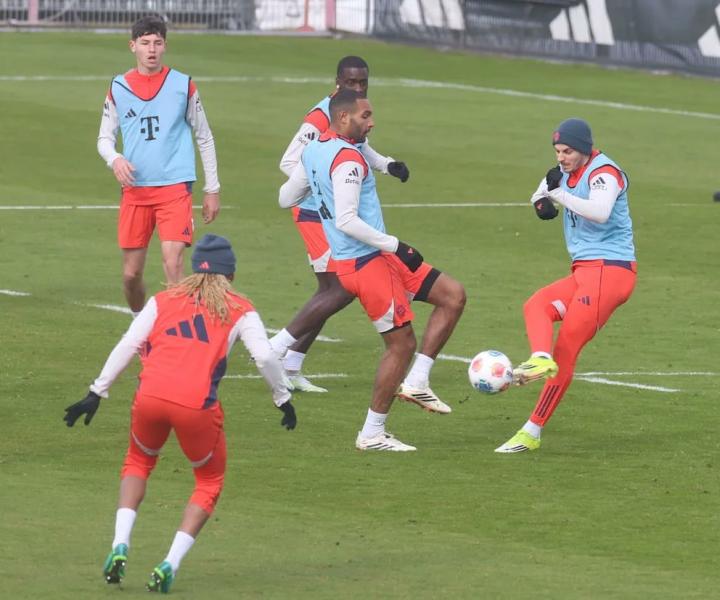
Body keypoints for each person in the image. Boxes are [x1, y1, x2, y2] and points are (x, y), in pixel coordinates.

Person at [63, 234, 295, 592]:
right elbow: (264, 356)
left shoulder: (163, 299)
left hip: (150, 396)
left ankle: (120, 544)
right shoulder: (240, 308)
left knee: (138, 462)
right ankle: (169, 563)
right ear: (231, 275)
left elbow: (130, 343)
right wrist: (282, 397)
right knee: (208, 481)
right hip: (196, 407)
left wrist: (97, 390)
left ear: (194, 268)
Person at [279, 89, 466, 451]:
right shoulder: (348, 160)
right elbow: (347, 220)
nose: (372, 122)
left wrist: (319, 193)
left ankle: (418, 382)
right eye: (365, 116)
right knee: (401, 344)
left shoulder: (315, 149)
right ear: (343, 117)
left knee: (452, 296)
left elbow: (285, 197)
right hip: (367, 263)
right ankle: (372, 434)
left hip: (373, 257)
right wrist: (397, 245)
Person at [270, 55, 412, 393]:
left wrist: (386, 165)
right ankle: (278, 349)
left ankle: (289, 363)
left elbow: (358, 146)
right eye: (351, 83)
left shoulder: (353, 113)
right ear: (338, 82)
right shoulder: (320, 116)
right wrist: (324, 182)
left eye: (363, 82)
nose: (358, 88)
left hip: (333, 213)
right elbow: (290, 161)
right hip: (315, 212)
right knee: (341, 287)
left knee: (337, 288)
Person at [495, 118, 637, 453]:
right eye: (558, 151)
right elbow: (540, 193)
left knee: (568, 347)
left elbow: (600, 212)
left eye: (568, 151)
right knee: (536, 305)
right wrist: (542, 204)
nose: (561, 157)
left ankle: (531, 431)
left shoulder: (604, 174)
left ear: (584, 149)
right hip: (585, 273)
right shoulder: (563, 171)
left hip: (610, 271)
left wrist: (558, 194)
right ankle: (540, 358)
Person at [97, 16, 221, 315]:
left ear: (165, 46)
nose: (151, 49)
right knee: (131, 275)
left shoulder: (183, 85)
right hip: (136, 191)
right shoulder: (118, 87)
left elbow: (204, 136)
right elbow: (104, 139)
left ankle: (175, 333)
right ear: (133, 46)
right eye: (145, 43)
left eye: (157, 43)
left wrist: (212, 188)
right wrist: (115, 159)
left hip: (174, 188)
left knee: (173, 263)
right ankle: (139, 323)